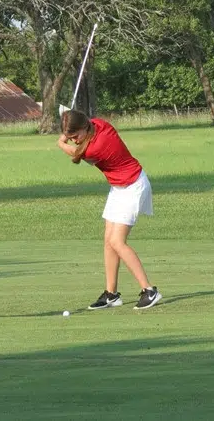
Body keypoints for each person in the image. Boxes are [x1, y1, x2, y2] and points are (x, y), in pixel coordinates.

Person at [57, 110, 162, 310]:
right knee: (108, 241)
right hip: (119, 187)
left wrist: (61, 142)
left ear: (85, 128)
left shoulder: (95, 148)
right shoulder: (98, 124)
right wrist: (68, 131)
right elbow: (79, 142)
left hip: (133, 186)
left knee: (117, 241)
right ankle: (111, 295)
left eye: (75, 137)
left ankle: (149, 290)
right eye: (71, 138)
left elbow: (75, 155)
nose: (74, 141)